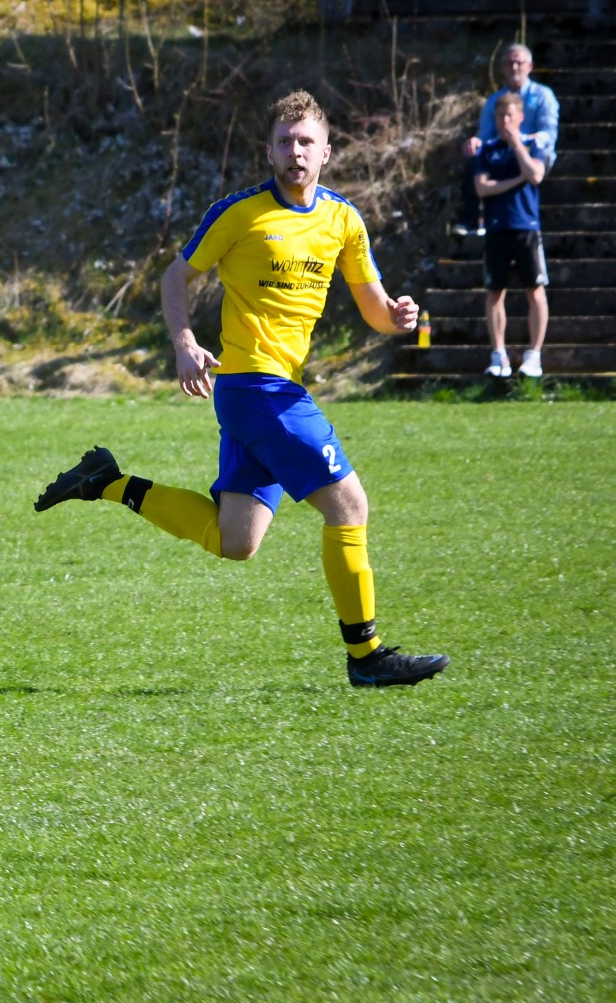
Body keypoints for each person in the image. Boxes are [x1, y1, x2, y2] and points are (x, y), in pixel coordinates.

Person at [34, 90, 447, 689]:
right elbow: (179, 275)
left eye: (306, 141)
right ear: (269, 150)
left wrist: (399, 317)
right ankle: (367, 657)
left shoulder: (343, 221)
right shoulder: (239, 213)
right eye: (284, 141)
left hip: (272, 390)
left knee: (236, 540)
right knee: (349, 506)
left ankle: (107, 481)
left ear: (326, 152)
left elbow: (376, 310)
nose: (295, 152)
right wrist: (183, 342)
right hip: (258, 388)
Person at [472, 92, 551, 379]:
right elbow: (482, 187)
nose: (504, 121)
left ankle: (534, 355)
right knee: (495, 292)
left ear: (520, 117)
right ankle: (498, 355)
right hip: (496, 228)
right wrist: (515, 180)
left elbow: (536, 174)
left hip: (527, 227)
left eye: (510, 116)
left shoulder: (533, 144)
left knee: (536, 291)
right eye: (499, 116)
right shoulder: (488, 149)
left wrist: (517, 143)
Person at [457, 44, 559, 237]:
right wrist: (476, 142)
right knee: (474, 157)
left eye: (518, 63)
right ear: (502, 67)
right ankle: (472, 219)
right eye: (509, 63)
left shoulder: (543, 96)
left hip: (533, 150)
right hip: (503, 151)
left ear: (529, 66)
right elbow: (486, 134)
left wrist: (523, 140)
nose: (514, 68)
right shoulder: (494, 100)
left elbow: (548, 133)